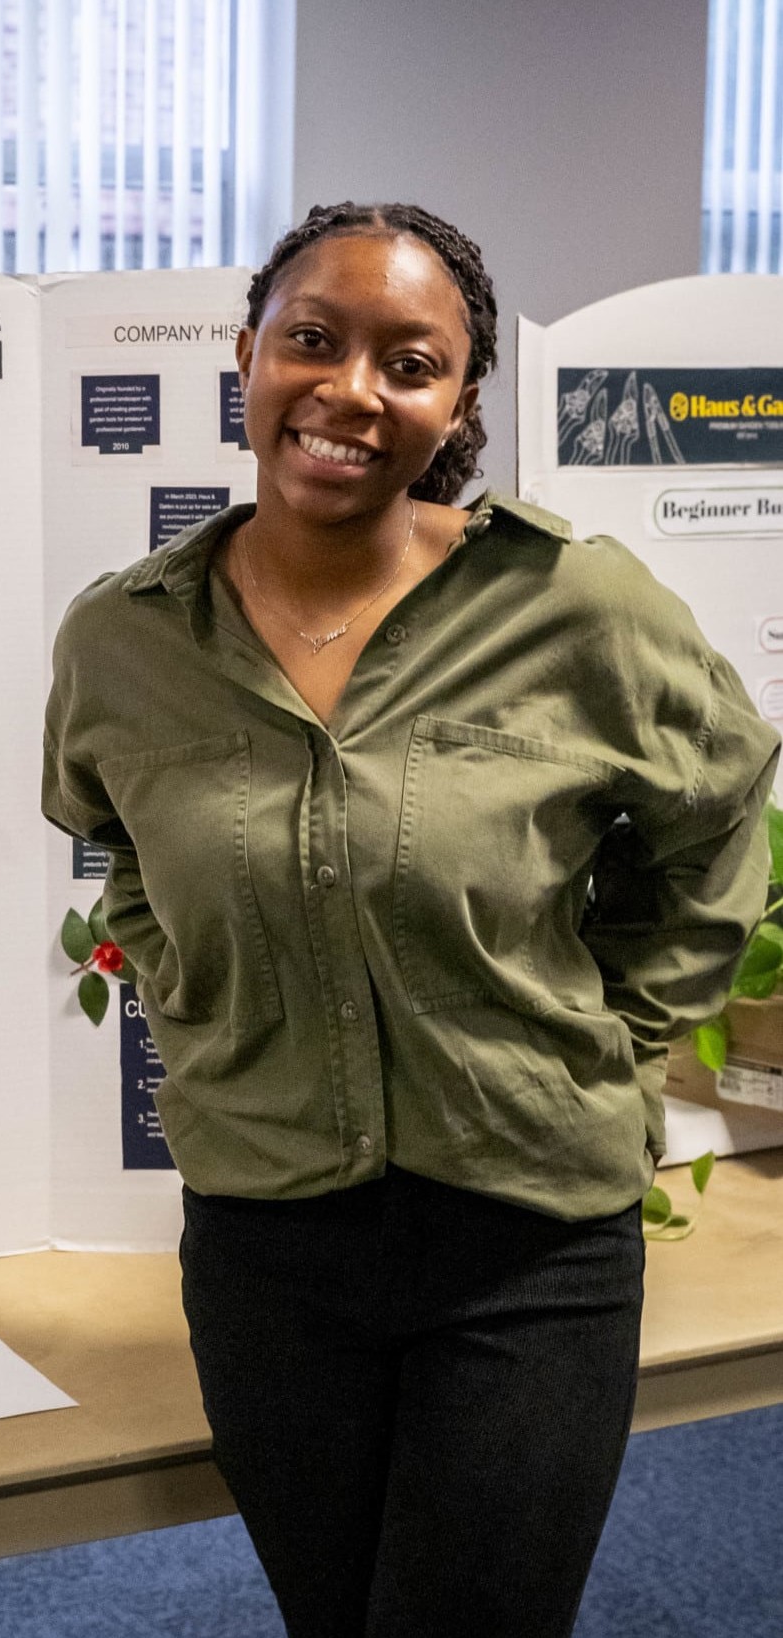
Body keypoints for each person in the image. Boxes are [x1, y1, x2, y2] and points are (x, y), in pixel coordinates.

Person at [42, 201, 779, 1638]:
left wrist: (618, 1038)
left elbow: (713, 809)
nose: (350, 392)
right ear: (246, 352)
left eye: (409, 361)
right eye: (311, 339)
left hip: (525, 1234)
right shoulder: (125, 640)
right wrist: (195, 1003)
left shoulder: (571, 607)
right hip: (265, 1243)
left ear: (455, 403)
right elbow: (115, 839)